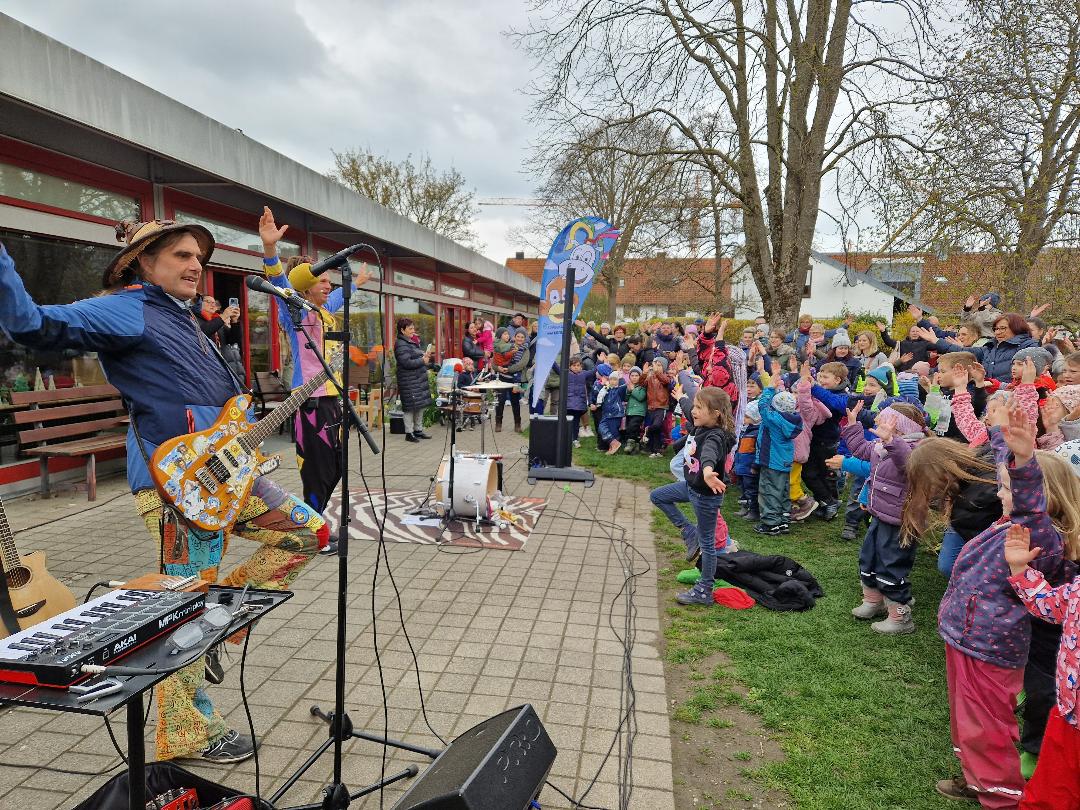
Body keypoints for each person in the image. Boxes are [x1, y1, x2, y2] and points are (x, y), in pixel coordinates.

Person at [0, 222, 328, 764]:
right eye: (181, 255)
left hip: (229, 471)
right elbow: (33, 325)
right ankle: (188, 731)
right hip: (176, 483)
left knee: (309, 532)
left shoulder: (183, 316)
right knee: (183, 611)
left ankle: (221, 623)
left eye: (198, 256)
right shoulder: (126, 307)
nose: (196, 265)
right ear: (141, 263)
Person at [935, 405, 1079, 805]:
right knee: (967, 721)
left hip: (991, 647)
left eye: (1006, 486)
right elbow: (1005, 468)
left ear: (1039, 495)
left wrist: (1025, 461)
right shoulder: (1007, 521)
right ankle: (976, 778)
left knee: (987, 726)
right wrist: (1002, 434)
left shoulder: (1038, 536)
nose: (998, 492)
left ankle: (1001, 796)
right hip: (966, 639)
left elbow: (1028, 497)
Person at [260, 207, 372, 518]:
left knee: (336, 466)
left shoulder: (325, 311)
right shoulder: (295, 312)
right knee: (315, 470)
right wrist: (270, 249)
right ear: (304, 286)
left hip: (333, 399)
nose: (328, 286)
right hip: (309, 403)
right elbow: (279, 283)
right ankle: (313, 525)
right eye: (321, 281)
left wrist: (358, 281)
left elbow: (340, 296)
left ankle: (317, 518)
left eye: (329, 281)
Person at [1006, 513, 1080, 807]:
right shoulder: (1077, 588)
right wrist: (1019, 567)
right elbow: (1047, 604)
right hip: (1067, 717)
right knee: (1047, 796)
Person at [842, 400, 927, 634]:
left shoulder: (916, 450)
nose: (877, 420)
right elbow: (861, 449)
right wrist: (852, 426)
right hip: (880, 515)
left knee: (891, 566)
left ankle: (900, 617)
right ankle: (873, 601)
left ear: (898, 428)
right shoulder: (881, 447)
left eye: (883, 419)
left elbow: (907, 464)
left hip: (900, 522)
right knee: (868, 558)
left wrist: (891, 442)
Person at [650, 386, 737, 605]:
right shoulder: (703, 420)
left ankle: (704, 590)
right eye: (695, 407)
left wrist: (708, 472)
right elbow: (689, 409)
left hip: (706, 496)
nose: (694, 411)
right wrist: (681, 398)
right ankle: (689, 531)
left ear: (716, 413)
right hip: (691, 487)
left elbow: (709, 454)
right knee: (658, 496)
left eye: (700, 408)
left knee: (707, 544)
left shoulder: (715, 436)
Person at [755, 384, 802, 535]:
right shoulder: (792, 419)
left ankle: (770, 523)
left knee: (769, 491)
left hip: (772, 461)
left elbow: (762, 405)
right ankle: (783, 520)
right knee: (782, 491)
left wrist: (770, 389)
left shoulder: (774, 419)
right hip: (784, 461)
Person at [394, 317, 434, 443]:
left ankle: (418, 430)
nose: (413, 330)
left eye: (413, 328)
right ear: (402, 330)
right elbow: (406, 362)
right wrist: (422, 360)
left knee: (419, 406)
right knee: (410, 407)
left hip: (417, 379)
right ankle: (409, 433)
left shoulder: (411, 341)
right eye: (410, 328)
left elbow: (414, 358)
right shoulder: (400, 344)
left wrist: (425, 358)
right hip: (408, 380)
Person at [494, 329, 530, 432]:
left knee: (515, 402)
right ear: (514, 337)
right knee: (500, 401)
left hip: (516, 380)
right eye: (518, 336)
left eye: (522, 337)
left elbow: (521, 364)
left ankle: (517, 425)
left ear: (524, 339)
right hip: (502, 378)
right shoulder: (506, 346)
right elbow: (495, 361)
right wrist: (498, 368)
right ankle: (498, 423)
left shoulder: (525, 350)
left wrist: (509, 369)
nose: (519, 339)